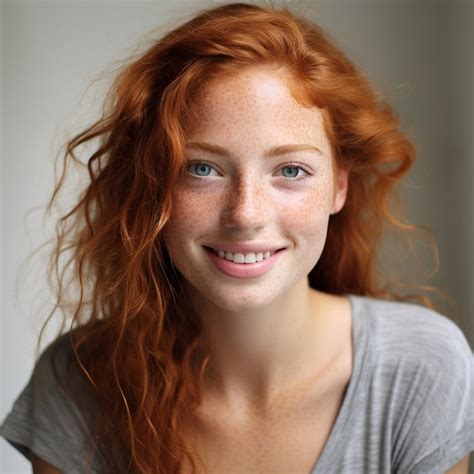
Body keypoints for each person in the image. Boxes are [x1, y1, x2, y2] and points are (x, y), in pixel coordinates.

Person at [1, 2, 473, 473]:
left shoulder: (422, 369)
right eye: (201, 169)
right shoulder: (80, 381)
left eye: (291, 170)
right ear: (152, 183)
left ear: (340, 186)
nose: (245, 214)